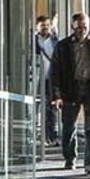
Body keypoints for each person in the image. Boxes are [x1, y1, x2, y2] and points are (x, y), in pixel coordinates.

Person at [47, 11, 90, 176]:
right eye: (79, 27)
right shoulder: (63, 46)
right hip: (71, 89)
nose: (82, 30)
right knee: (69, 126)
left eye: (85, 27)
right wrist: (56, 95)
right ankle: (70, 157)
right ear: (72, 27)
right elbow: (55, 72)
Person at [30, 13, 59, 146]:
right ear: (37, 27)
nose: (45, 28)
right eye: (42, 25)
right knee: (34, 107)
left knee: (50, 108)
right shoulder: (32, 41)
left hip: (50, 79)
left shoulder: (55, 41)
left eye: (47, 25)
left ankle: (50, 136)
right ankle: (34, 134)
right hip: (35, 79)